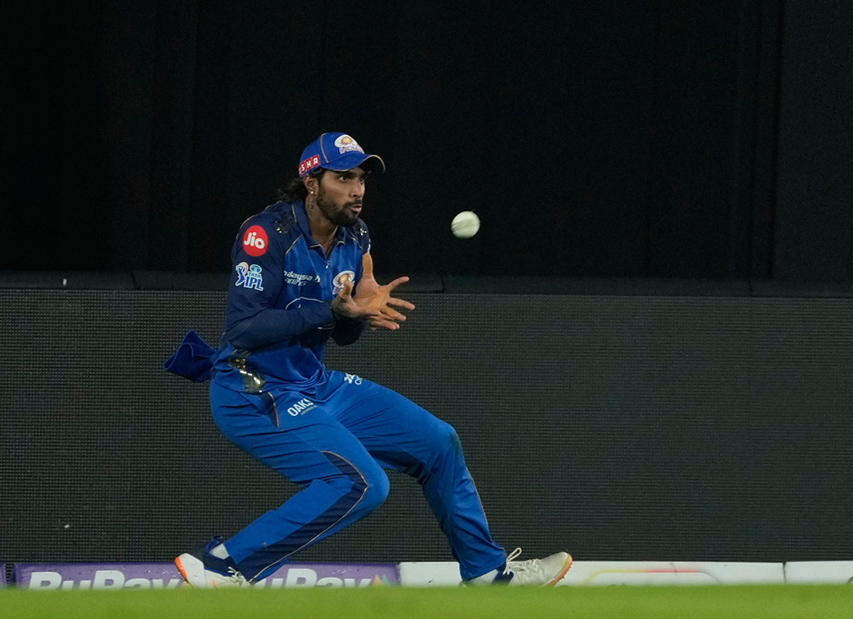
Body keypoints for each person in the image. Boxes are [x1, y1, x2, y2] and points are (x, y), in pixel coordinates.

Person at [164, 132, 572, 588]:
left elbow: (343, 335)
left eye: (361, 178)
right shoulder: (267, 233)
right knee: (361, 485)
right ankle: (225, 565)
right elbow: (243, 329)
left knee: (438, 442)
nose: (358, 189)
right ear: (312, 184)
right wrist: (334, 310)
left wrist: (356, 315)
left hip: (312, 384)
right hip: (252, 388)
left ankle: (486, 572)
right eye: (343, 178)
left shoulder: (355, 237)